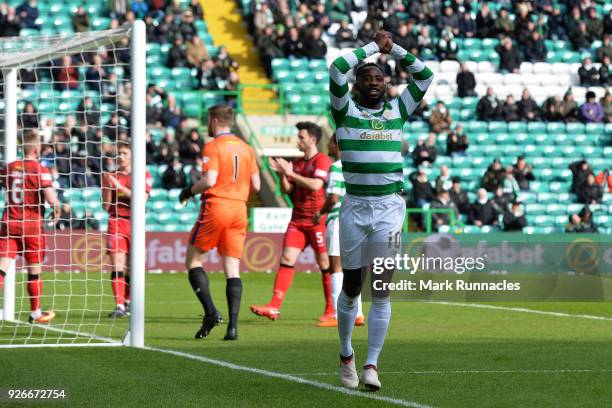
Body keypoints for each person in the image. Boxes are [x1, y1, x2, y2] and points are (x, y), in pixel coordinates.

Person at [327, 31, 433, 391]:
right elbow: (338, 67)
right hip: (354, 208)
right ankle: (346, 355)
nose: (374, 83)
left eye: (379, 79)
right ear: (357, 86)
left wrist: (397, 50)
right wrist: (374, 48)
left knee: (382, 287)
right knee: (353, 287)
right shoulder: (344, 110)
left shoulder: (398, 109)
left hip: (389, 207)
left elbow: (425, 76)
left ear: (386, 84)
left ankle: (371, 364)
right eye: (367, 79)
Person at [179, 105, 260, 341]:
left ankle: (211, 313)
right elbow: (257, 186)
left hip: (218, 205)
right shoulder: (247, 148)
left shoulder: (213, 146)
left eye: (208, 121)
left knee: (193, 260)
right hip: (239, 209)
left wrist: (187, 191)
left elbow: (210, 179)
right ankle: (232, 328)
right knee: (232, 268)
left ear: (215, 121)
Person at [250, 122, 334, 324]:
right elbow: (287, 190)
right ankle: (274, 306)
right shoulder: (296, 162)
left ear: (312, 140)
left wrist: (290, 173)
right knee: (287, 258)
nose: (298, 140)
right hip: (297, 220)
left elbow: (315, 185)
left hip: (317, 221)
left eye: (301, 137)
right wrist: (281, 172)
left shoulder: (322, 161)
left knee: (325, 263)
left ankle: (331, 309)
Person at [0, 132, 61, 323]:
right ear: (36, 149)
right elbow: (50, 198)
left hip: (9, 223)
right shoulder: (40, 169)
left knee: (2, 266)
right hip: (32, 226)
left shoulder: (8, 168)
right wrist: (57, 208)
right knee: (34, 269)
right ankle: (35, 312)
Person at [313, 135, 365, 328]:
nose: (328, 146)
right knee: (355, 266)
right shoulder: (357, 166)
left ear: (337, 145)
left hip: (339, 219)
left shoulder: (337, 166)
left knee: (337, 266)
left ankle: (336, 313)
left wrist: (320, 213)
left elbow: (334, 198)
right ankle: (358, 313)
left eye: (331, 143)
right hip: (358, 220)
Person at [102, 142, 152, 318]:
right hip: (116, 221)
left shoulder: (142, 175)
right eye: (119, 153)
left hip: (135, 223)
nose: (120, 156)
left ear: (132, 156)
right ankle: (119, 305)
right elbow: (106, 206)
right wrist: (109, 188)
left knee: (132, 266)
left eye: (124, 153)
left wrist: (120, 187)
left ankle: (129, 302)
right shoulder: (111, 176)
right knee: (118, 264)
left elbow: (142, 200)